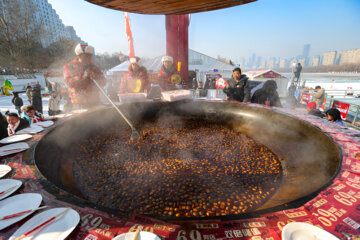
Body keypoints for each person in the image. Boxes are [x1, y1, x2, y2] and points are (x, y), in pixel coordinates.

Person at [63, 43, 106, 108]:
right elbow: (69, 82)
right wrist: (83, 77)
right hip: (79, 103)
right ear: (79, 56)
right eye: (86, 56)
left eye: (90, 56)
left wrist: (97, 77)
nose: (88, 58)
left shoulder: (94, 67)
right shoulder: (70, 67)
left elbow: (104, 82)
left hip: (95, 101)